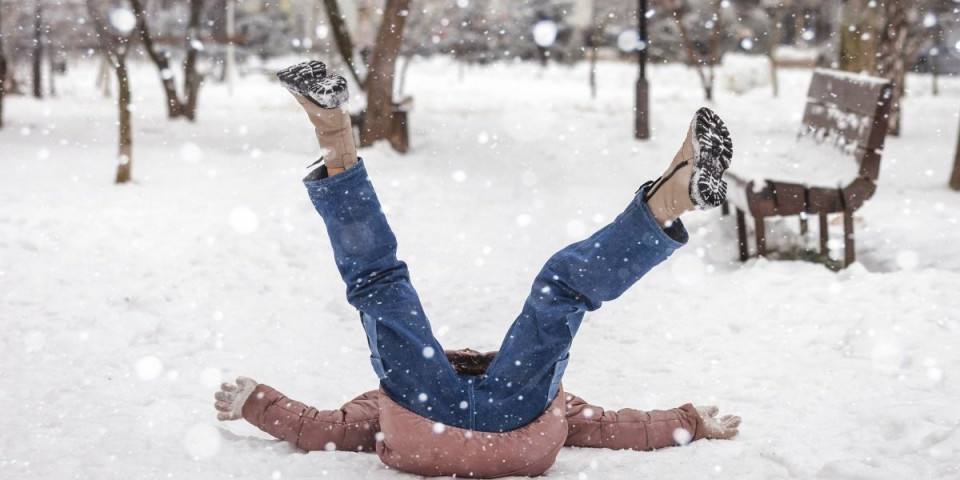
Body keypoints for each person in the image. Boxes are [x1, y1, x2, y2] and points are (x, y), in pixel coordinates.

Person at [214, 60, 740, 478]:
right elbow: (614, 429)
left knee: (394, 284)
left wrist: (255, 403)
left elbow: (318, 429)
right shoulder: (532, 391)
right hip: (519, 434)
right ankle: (670, 198)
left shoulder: (386, 400)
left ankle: (332, 128)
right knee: (385, 282)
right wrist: (689, 421)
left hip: (427, 428)